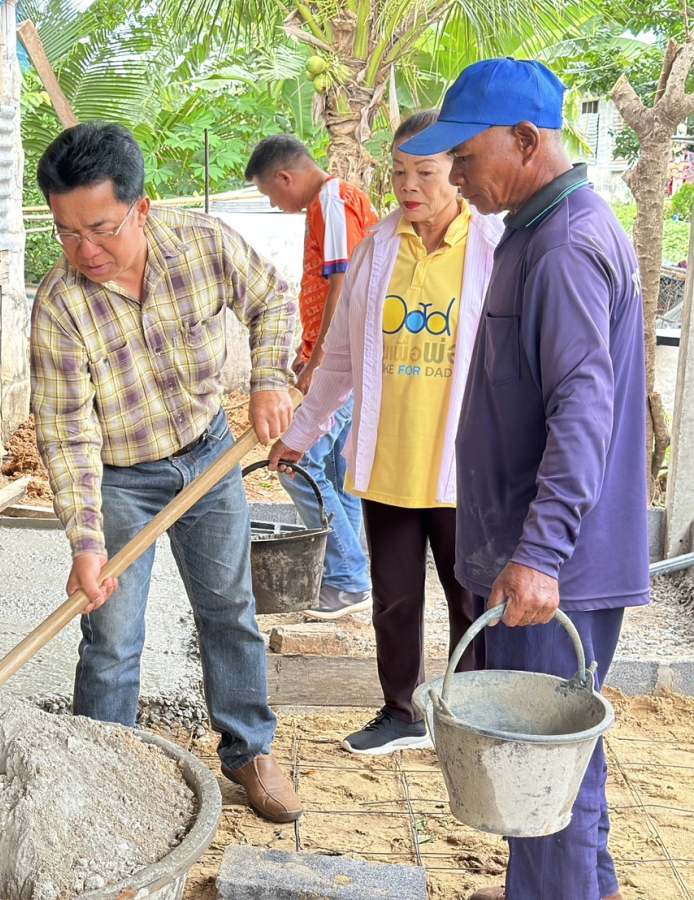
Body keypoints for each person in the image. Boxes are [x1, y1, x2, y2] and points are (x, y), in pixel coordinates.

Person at [399, 59, 647, 900]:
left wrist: (538, 555)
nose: (456, 176)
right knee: (555, 777)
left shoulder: (568, 246)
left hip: (554, 573)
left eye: (465, 157)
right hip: (539, 562)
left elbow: (584, 414)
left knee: (540, 787)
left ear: (528, 140)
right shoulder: (535, 232)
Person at [30, 122, 301, 823]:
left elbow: (272, 297)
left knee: (229, 609)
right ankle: (103, 766)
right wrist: (86, 542)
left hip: (209, 452)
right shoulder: (60, 305)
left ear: (142, 208)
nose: (84, 251)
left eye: (101, 229)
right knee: (112, 634)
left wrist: (270, 379)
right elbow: (66, 433)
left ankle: (248, 751)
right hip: (120, 476)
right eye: (65, 233)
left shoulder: (203, 246)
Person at [267, 111, 504, 754]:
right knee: (395, 601)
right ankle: (402, 712)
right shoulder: (378, 246)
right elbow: (341, 359)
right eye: (399, 171)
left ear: (457, 170)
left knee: (471, 604)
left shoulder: (491, 245)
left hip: (464, 467)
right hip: (390, 460)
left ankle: (471, 716)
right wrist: (302, 430)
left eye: (424, 171)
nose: (408, 185)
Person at [245, 137, 377, 619]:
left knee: (299, 464)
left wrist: (319, 362)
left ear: (285, 177)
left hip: (342, 361)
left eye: (269, 195)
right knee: (338, 474)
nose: (275, 205)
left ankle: (347, 577)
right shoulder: (334, 202)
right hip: (347, 358)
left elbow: (342, 286)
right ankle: (352, 572)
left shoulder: (333, 202)